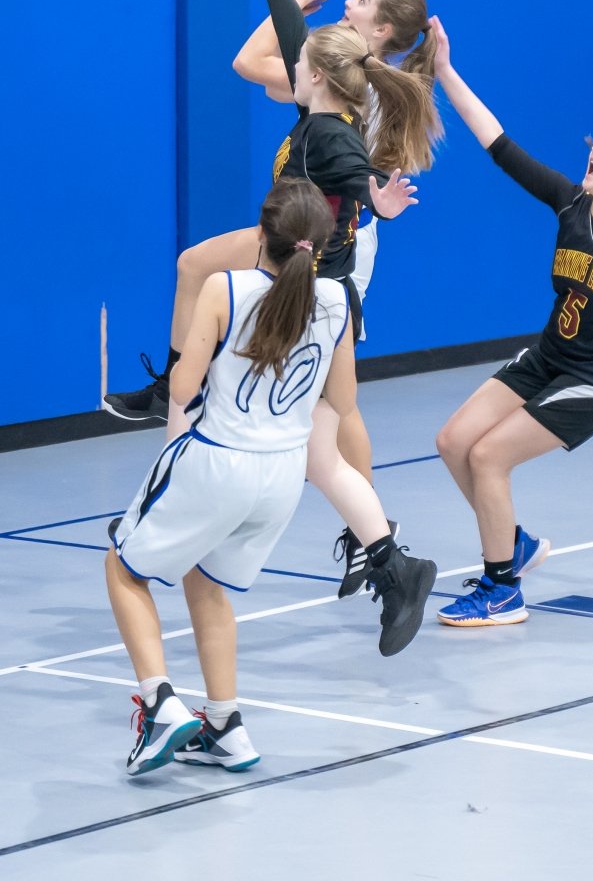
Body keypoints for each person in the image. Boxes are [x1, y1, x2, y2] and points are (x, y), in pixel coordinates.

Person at [104, 0, 440, 600]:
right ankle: (372, 538)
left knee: (328, 417)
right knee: (203, 277)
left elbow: (262, 64)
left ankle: (372, 538)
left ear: (380, 30)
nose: (348, 0)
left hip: (329, 249)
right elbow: (270, 55)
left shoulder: (354, 95)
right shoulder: (342, 73)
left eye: (361, 0)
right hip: (297, 231)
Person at [105, 178, 437, 777]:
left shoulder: (224, 288)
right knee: (206, 582)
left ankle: (158, 706)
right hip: (282, 477)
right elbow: (343, 400)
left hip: (218, 460)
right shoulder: (337, 300)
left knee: (122, 569)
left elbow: (182, 387)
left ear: (261, 234)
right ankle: (224, 726)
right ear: (323, 245)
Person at [429, 15, 593, 629]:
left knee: (489, 457)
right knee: (453, 442)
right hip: (551, 355)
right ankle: (515, 546)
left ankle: (503, 590)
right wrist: (445, 70)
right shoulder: (571, 203)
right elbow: (499, 144)